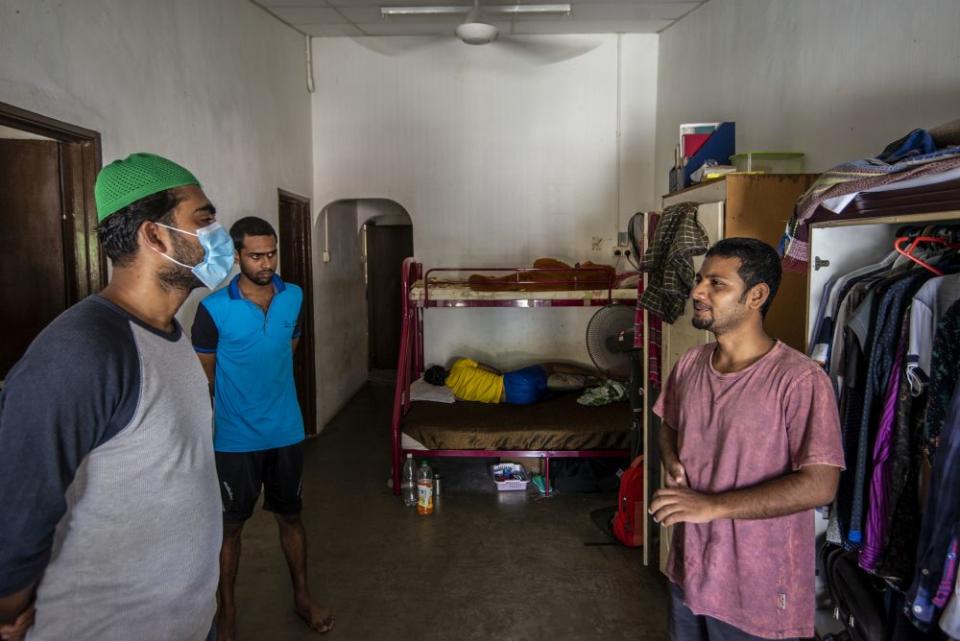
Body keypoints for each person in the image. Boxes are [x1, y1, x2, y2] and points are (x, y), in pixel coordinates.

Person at [0, 153, 230, 641]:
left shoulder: (170, 333)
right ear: (154, 236)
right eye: (204, 220)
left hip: (184, 622)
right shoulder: (81, 350)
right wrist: (9, 607)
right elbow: (18, 505)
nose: (217, 235)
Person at [645, 238, 844, 641]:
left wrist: (712, 506)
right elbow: (669, 425)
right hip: (691, 572)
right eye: (700, 280)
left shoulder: (799, 379)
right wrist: (671, 458)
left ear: (756, 295)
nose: (697, 292)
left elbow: (821, 484)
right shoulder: (690, 364)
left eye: (716, 284)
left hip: (756, 591)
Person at [191, 216, 334, 640]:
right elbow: (206, 378)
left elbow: (286, 351)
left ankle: (303, 598)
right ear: (236, 257)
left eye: (271, 253)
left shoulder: (294, 297)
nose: (266, 262)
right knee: (230, 527)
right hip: (235, 440)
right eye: (256, 255)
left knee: (291, 518)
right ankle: (228, 613)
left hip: (286, 432)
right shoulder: (212, 310)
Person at [424, 359, 599, 404]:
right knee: (551, 368)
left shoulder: (457, 394)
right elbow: (487, 368)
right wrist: (499, 373)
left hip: (519, 399)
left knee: (551, 387)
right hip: (513, 380)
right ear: (441, 368)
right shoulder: (459, 365)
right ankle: (598, 376)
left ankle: (589, 385)